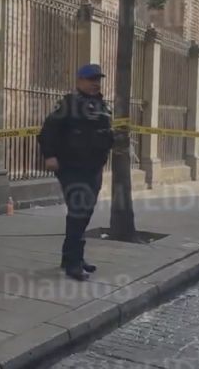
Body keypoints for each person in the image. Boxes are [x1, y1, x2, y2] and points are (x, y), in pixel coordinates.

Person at [38, 64, 114, 282]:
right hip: (72, 168)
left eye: (98, 79)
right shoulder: (68, 104)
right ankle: (73, 263)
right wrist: (50, 155)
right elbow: (47, 132)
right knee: (79, 213)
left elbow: (105, 132)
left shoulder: (102, 105)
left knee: (85, 212)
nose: (95, 83)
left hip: (94, 168)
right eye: (90, 79)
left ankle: (72, 257)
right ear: (79, 81)